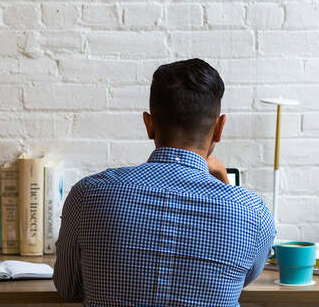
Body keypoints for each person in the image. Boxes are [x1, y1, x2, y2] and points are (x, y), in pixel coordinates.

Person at [53, 58, 276, 306]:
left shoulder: (88, 195)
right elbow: (238, 279)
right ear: (219, 128)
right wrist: (224, 185)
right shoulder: (254, 214)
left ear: (149, 124)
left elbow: (68, 287)